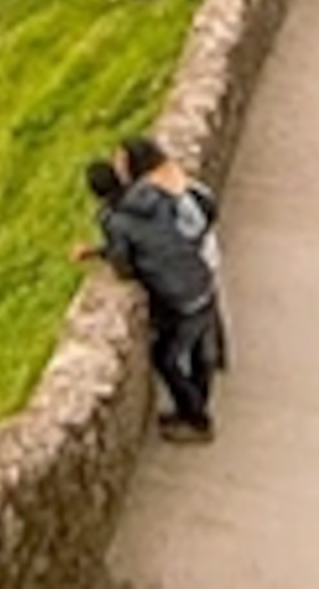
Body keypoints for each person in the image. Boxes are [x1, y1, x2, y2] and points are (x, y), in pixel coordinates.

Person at [75, 137, 224, 441]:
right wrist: (95, 251)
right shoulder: (152, 196)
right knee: (199, 354)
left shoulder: (114, 221)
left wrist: (105, 254)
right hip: (201, 279)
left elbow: (124, 263)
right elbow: (154, 237)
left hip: (181, 297)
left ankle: (198, 421)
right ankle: (192, 410)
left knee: (165, 358)